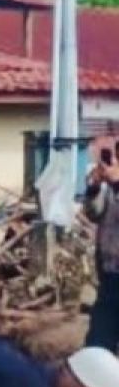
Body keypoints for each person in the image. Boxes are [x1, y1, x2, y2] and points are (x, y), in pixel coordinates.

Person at [83, 149, 119, 350]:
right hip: (110, 275)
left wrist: (116, 184)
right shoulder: (111, 186)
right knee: (98, 345)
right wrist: (93, 188)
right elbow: (92, 213)